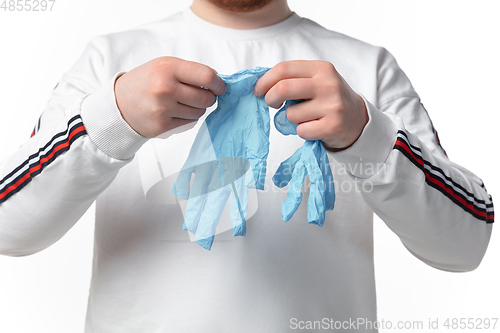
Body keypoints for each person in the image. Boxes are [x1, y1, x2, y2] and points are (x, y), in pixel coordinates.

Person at [0, 0, 494, 332]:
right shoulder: (109, 61)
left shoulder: (367, 70)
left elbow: (464, 244)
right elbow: (9, 228)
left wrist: (367, 136)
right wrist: (110, 121)